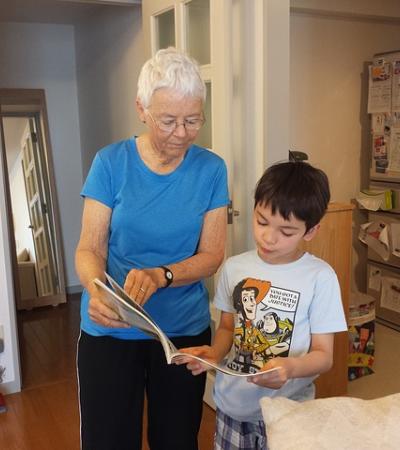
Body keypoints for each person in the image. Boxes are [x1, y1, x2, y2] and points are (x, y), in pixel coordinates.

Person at [75, 47, 229, 450]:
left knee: (176, 440)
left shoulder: (212, 169)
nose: (182, 132)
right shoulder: (110, 163)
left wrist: (163, 275)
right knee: (108, 440)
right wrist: (95, 290)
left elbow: (212, 255)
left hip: (182, 332)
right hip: (111, 330)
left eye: (193, 120)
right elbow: (89, 247)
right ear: (141, 109)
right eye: (168, 120)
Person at [180, 161, 348, 450]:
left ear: (310, 231)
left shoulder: (320, 277)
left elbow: (324, 356)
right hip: (232, 407)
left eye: (286, 231)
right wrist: (214, 353)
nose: (269, 237)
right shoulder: (234, 267)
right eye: (262, 221)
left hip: (289, 412)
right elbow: (228, 327)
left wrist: (290, 367)